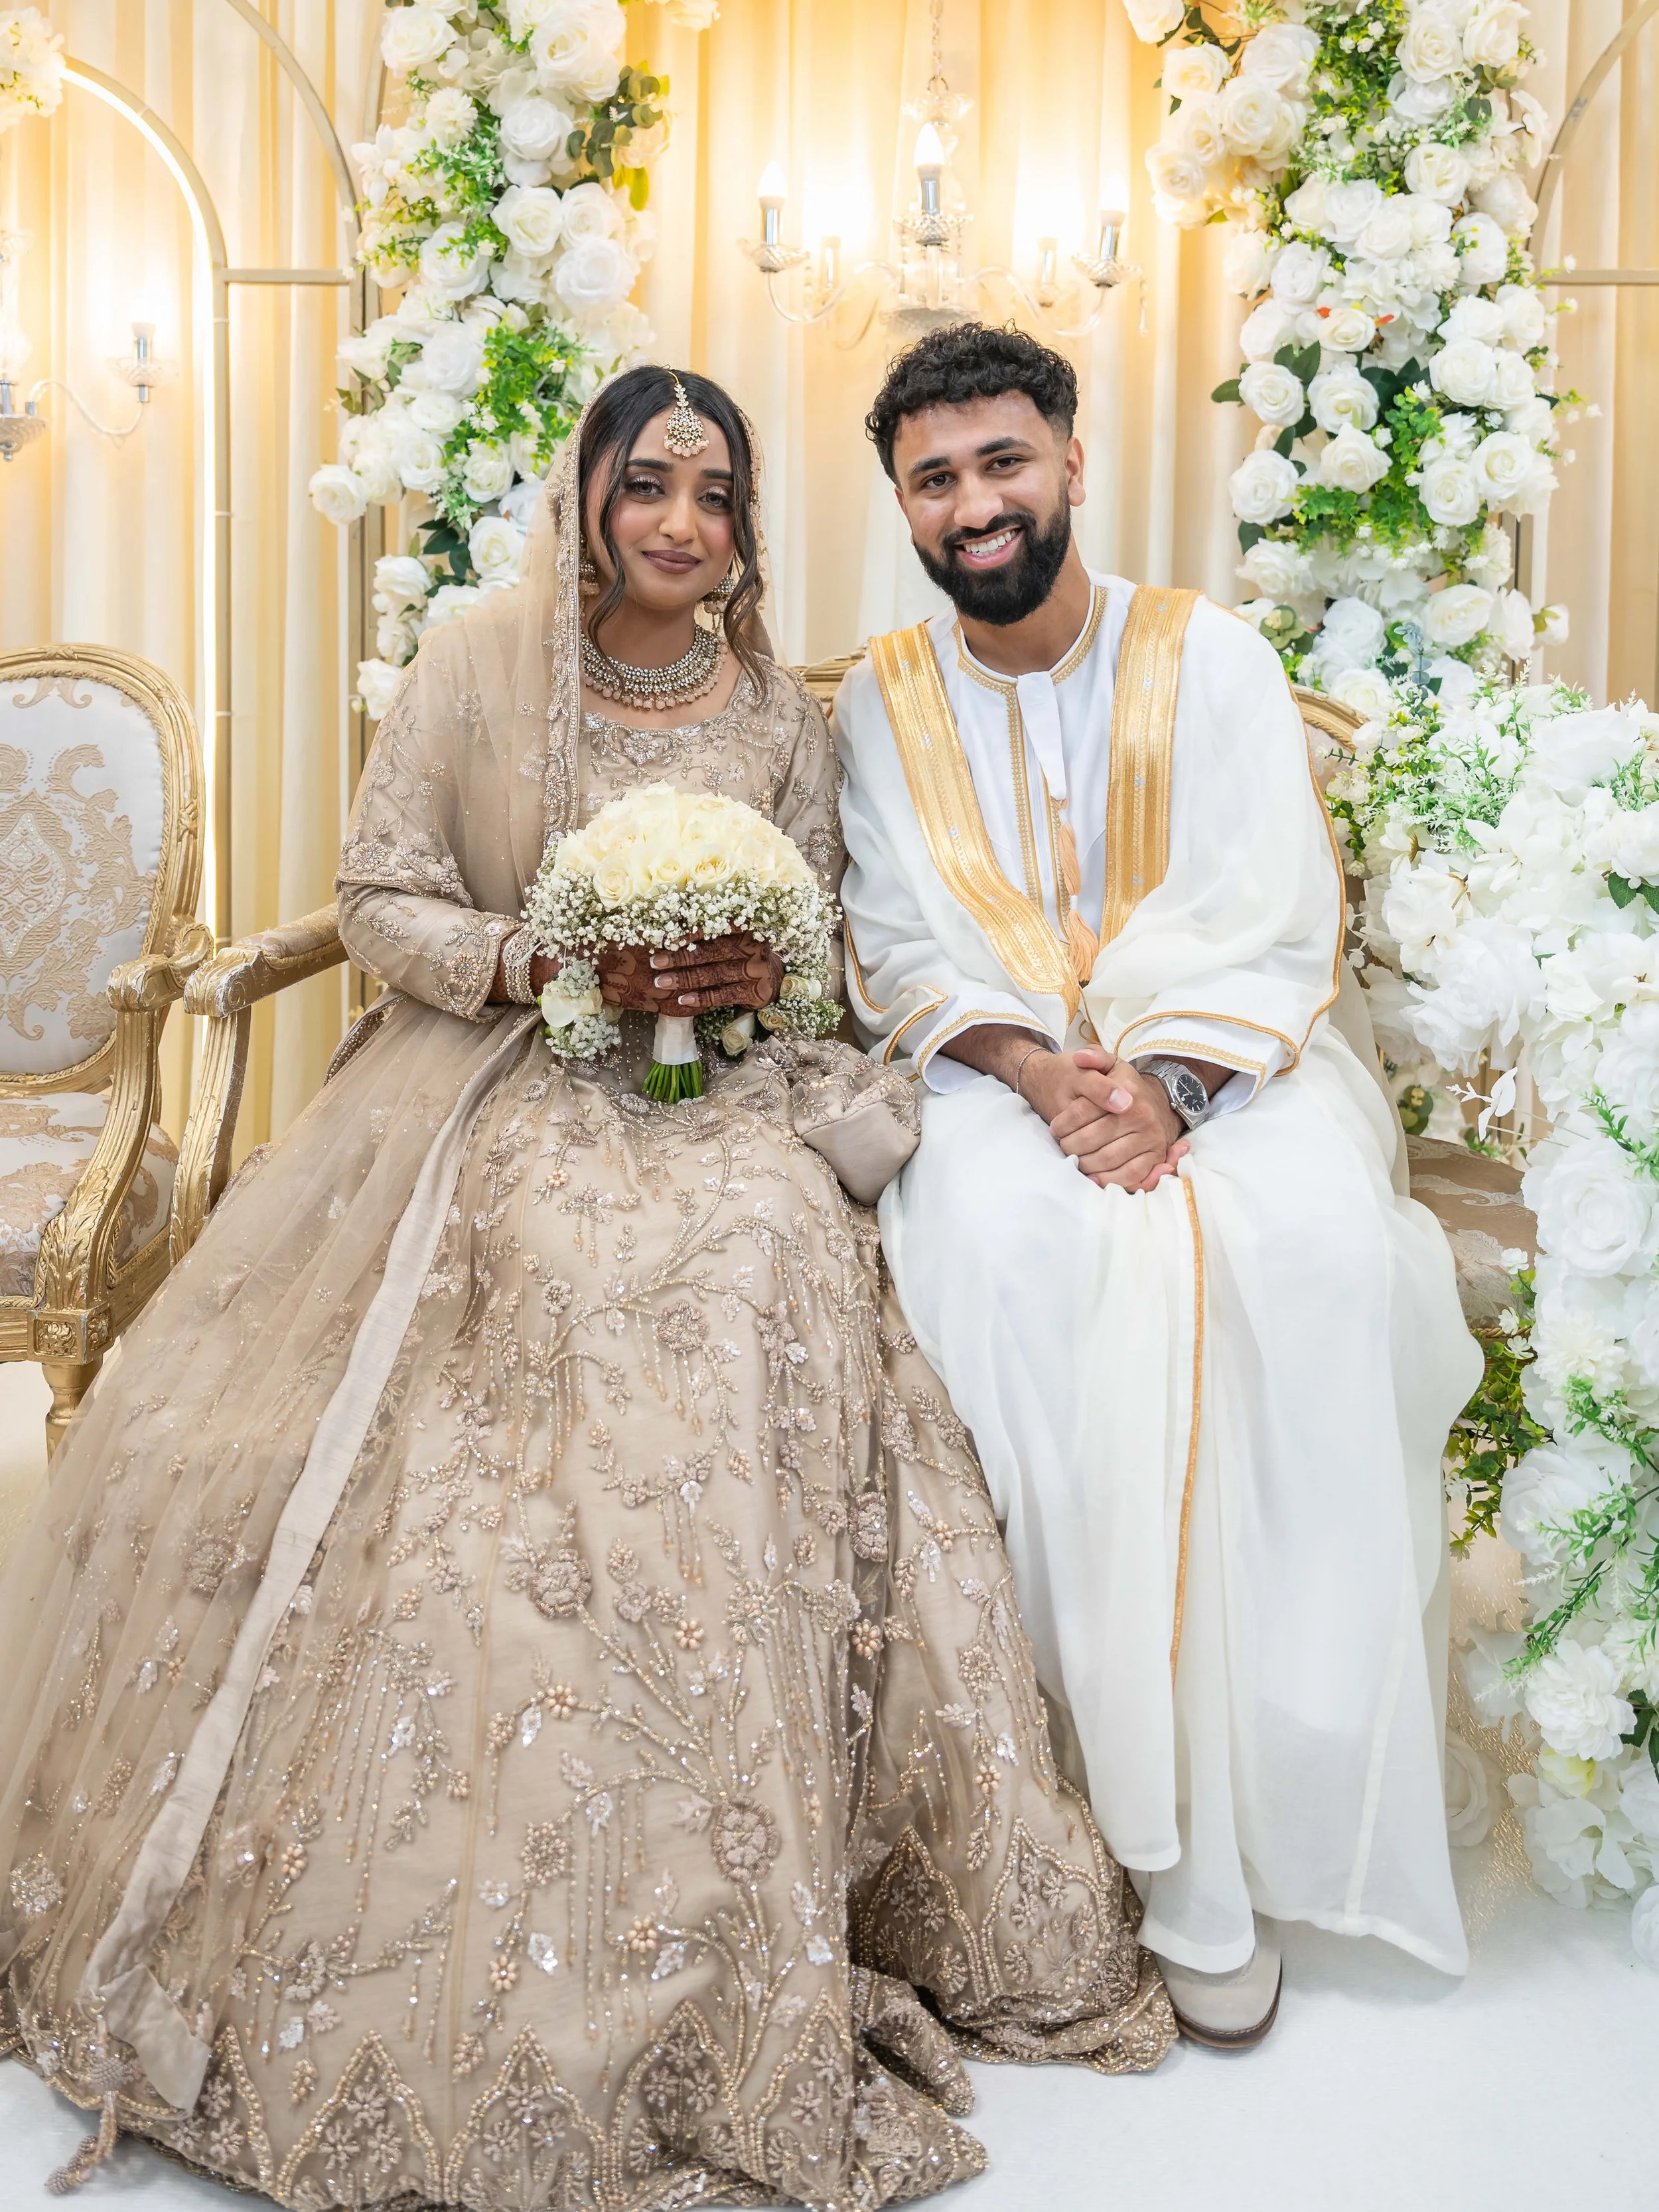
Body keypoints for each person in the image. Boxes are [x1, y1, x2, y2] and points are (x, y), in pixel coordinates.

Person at [0, 366, 1173, 2208]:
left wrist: (733, 990)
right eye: (650, 488)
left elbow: (823, 955)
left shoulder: (784, 719)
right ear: (592, 498)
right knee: (558, 1265)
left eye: (717, 495)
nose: (683, 526)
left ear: (748, 524)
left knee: (774, 1259)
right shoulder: (475, 661)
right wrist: (548, 958)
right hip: (493, 1085)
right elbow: (375, 893)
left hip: (727, 1102)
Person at [833, 323, 1482, 2048]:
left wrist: (1170, 1085)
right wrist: (1045, 1076)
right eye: (935, 476)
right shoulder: (878, 697)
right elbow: (892, 939)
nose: (975, 501)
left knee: (1321, 1252)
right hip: (995, 1080)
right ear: (900, 501)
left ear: (1065, 457)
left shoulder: (1210, 656)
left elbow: (1275, 911)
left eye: (1001, 461)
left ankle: (1251, 1815)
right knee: (995, 1256)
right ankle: (1065, 1835)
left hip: (1226, 1066)